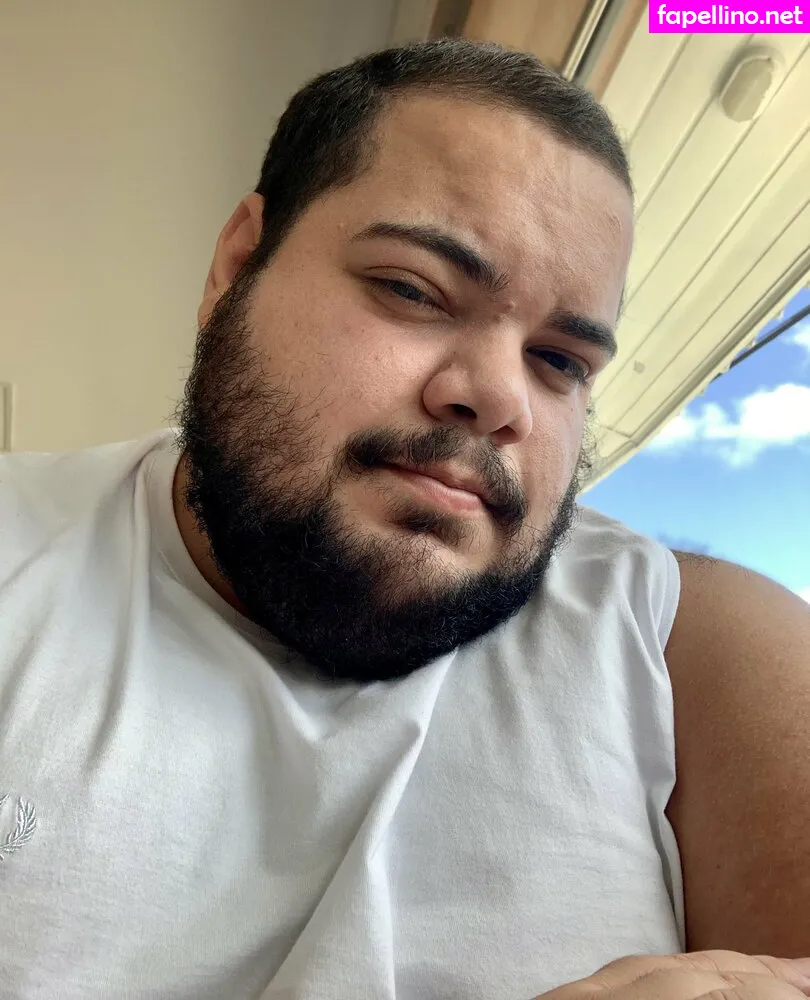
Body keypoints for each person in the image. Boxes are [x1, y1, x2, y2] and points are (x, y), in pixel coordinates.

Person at [0, 37, 808, 1000]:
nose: (498, 398)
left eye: (560, 361)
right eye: (412, 290)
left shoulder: (701, 654)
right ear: (238, 265)